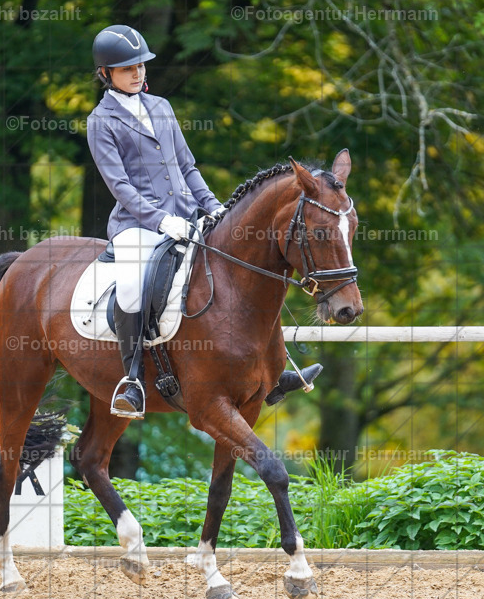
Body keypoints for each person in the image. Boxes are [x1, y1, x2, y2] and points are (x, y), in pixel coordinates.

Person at [87, 25, 321, 419]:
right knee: (131, 288)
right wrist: (161, 220)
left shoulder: (160, 106)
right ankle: (132, 381)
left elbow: (187, 166)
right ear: (106, 73)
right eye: (128, 69)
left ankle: (276, 370)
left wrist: (214, 207)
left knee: (245, 276)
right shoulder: (100, 121)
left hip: (188, 216)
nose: (138, 73)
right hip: (136, 224)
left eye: (141, 65)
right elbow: (120, 186)